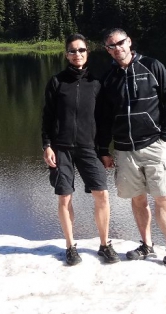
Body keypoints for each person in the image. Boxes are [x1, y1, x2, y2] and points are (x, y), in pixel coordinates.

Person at [96, 28, 166, 274]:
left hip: (154, 145)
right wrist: (103, 149)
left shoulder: (152, 67)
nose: (117, 48)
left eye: (120, 43)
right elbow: (103, 117)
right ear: (107, 50)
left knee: (163, 198)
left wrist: (165, 136)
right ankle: (146, 245)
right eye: (111, 46)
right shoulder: (109, 78)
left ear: (129, 41)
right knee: (138, 199)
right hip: (124, 150)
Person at [42, 33, 120, 266]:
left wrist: (104, 150)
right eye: (73, 51)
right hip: (61, 148)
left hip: (90, 148)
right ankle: (70, 246)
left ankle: (105, 245)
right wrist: (46, 146)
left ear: (88, 52)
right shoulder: (57, 82)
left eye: (82, 50)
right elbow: (47, 117)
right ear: (66, 54)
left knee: (102, 195)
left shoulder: (96, 83)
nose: (78, 54)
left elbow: (104, 120)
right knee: (64, 197)